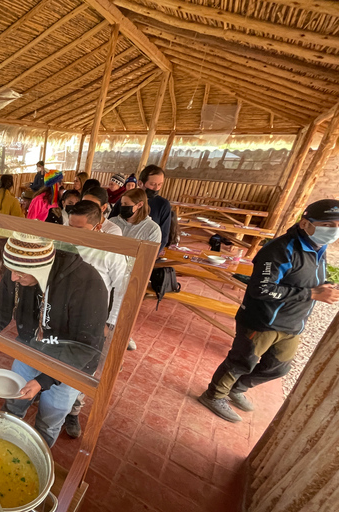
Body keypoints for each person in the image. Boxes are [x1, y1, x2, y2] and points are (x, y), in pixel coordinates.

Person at [0, 233, 108, 447]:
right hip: (31, 349)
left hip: (72, 365)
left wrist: (44, 381)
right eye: (10, 270)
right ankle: (4, 446)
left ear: (42, 269)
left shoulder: (87, 284)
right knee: (13, 404)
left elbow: (85, 348)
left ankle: (34, 456)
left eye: (19, 273)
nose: (13, 277)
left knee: (50, 418)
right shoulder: (16, 271)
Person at [199, 199, 339, 423]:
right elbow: (261, 289)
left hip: (292, 323)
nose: (333, 232)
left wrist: (325, 287)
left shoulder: (318, 249)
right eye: (328, 225)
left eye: (338, 226)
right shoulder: (280, 249)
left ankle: (237, 389)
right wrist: (311, 294)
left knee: (278, 367)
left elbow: (305, 279)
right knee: (241, 361)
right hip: (263, 320)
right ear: (305, 224)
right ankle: (214, 395)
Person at [63, 200, 129, 437]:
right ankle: (52, 392)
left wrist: (109, 323)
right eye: (69, 225)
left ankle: (73, 411)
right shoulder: (66, 242)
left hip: (94, 318)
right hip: (64, 313)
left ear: (98, 226)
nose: (71, 231)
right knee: (59, 354)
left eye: (78, 228)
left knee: (85, 365)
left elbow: (122, 289)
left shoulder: (111, 251)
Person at [110, 188, 161, 351]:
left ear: (139, 205)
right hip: (112, 270)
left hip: (132, 274)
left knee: (127, 309)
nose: (122, 207)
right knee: (108, 306)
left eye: (126, 204)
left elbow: (148, 258)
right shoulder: (114, 222)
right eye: (121, 203)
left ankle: (124, 336)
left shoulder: (152, 229)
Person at [110, 166, 172, 251]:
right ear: (140, 183)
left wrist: (150, 258)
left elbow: (163, 237)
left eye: (160, 184)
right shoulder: (125, 200)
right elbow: (110, 224)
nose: (156, 188)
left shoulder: (163, 205)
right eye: (152, 184)